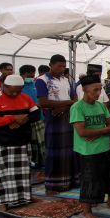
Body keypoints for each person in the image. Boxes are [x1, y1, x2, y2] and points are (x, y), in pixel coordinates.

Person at [70, 75, 110, 218]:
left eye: (100, 90)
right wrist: (102, 131)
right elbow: (82, 132)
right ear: (85, 90)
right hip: (88, 151)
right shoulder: (77, 107)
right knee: (90, 180)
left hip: (104, 147)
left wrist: (98, 132)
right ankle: (86, 211)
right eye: (95, 90)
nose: (98, 93)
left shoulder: (100, 106)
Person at [0, 75, 41, 211]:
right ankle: (4, 202)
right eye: (12, 91)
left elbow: (36, 114)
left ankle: (27, 197)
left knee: (24, 172)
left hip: (23, 140)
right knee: (5, 173)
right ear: (5, 86)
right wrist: (12, 119)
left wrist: (23, 120)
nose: (15, 93)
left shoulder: (25, 97)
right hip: (4, 142)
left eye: (18, 90)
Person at [36, 55, 79, 193]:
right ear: (51, 65)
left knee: (70, 151)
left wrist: (63, 106)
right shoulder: (42, 80)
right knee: (54, 153)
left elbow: (74, 98)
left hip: (67, 116)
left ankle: (70, 181)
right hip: (53, 119)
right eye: (59, 66)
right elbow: (43, 102)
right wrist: (67, 103)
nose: (62, 69)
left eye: (63, 66)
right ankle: (54, 184)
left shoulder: (66, 80)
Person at [19, 64, 45, 169]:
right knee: (29, 141)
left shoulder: (35, 84)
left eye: (33, 74)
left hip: (39, 116)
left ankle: (41, 160)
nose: (31, 77)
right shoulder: (19, 86)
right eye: (28, 75)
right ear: (22, 74)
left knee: (41, 141)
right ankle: (31, 161)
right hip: (25, 118)